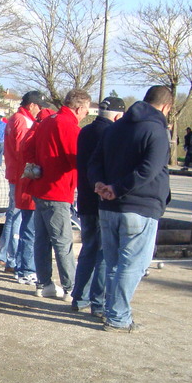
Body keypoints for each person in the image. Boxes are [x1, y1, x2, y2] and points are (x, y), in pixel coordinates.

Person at [89, 84, 174, 333]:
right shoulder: (157, 131)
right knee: (133, 265)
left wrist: (100, 184)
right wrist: (117, 188)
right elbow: (149, 169)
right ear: (166, 106)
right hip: (140, 206)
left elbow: (94, 162)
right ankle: (118, 316)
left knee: (114, 262)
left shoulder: (114, 128)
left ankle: (108, 308)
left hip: (108, 206)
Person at [25, 88, 91, 301]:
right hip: (58, 189)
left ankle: (44, 283)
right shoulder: (69, 126)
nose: (85, 116)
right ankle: (71, 287)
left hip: (40, 187)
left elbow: (28, 148)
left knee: (42, 240)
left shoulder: (47, 121)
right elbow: (76, 159)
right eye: (86, 111)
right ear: (79, 108)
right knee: (63, 242)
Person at [72, 96, 124, 319]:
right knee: (103, 253)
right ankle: (98, 302)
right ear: (118, 115)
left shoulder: (84, 131)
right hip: (103, 199)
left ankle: (79, 297)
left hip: (84, 196)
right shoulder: (113, 134)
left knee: (88, 249)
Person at [0, 92, 46, 284]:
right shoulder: (23, 122)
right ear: (32, 105)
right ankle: (11, 258)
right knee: (17, 217)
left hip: (14, 171)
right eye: (39, 106)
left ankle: (5, 256)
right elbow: (23, 151)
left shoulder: (13, 119)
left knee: (14, 216)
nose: (40, 110)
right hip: (20, 175)